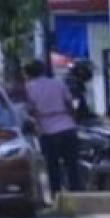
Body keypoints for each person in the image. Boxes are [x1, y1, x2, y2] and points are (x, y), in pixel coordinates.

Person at [23, 59, 81, 195]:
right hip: (67, 126)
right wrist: (74, 121)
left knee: (52, 166)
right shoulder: (58, 83)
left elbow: (30, 110)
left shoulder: (29, 88)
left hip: (47, 130)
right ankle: (77, 193)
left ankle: (57, 195)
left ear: (28, 73)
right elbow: (69, 104)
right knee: (72, 165)